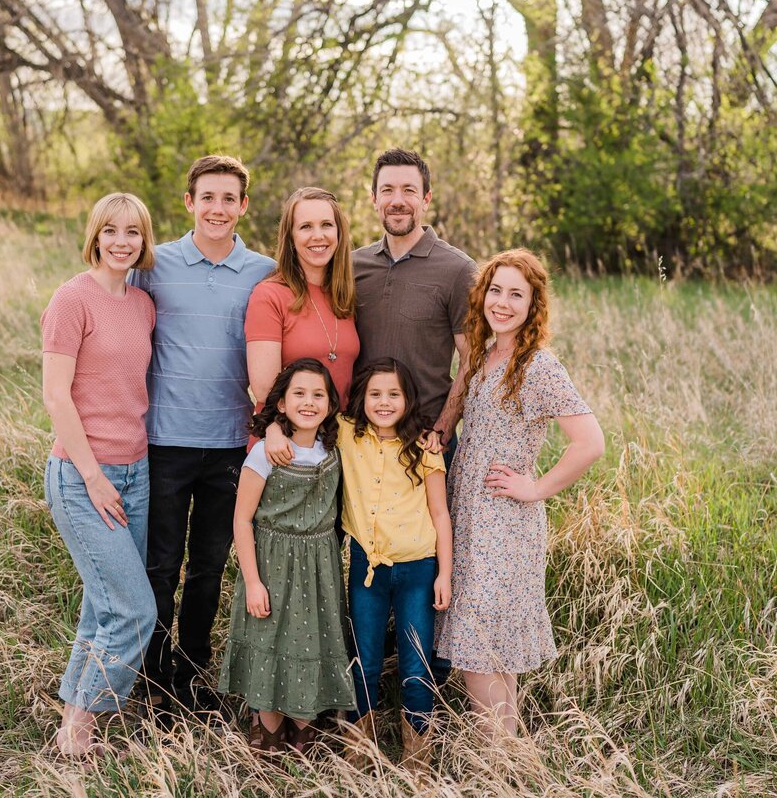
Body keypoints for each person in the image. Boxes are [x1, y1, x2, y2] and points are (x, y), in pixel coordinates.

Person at [434, 249, 604, 736]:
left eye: (516, 294)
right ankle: (510, 763)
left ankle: (496, 767)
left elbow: (590, 443)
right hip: (468, 518)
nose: (502, 303)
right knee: (492, 650)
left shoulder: (537, 366)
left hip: (505, 524)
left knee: (479, 649)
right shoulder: (487, 356)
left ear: (533, 305)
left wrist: (535, 489)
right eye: (495, 290)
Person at [129, 155, 274, 720]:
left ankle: (191, 674)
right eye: (207, 197)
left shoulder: (262, 271)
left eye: (229, 198)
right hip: (164, 440)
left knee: (209, 565)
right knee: (161, 565)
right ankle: (151, 674)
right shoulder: (153, 265)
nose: (218, 208)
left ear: (243, 206)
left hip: (230, 444)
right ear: (188, 202)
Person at [40, 192, 159, 758]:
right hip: (84, 477)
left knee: (102, 605)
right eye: (111, 231)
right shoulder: (72, 300)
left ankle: (70, 727)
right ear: (95, 235)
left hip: (136, 473)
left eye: (133, 232)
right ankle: (80, 735)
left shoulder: (141, 305)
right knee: (136, 611)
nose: (122, 242)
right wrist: (92, 476)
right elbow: (55, 396)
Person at [218, 358, 356, 754]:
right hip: (271, 564)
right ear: (281, 403)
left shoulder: (334, 451)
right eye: (299, 393)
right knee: (269, 642)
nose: (309, 402)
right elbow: (242, 520)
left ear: (331, 404)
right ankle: (268, 734)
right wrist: (253, 582)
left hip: (319, 568)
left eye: (318, 395)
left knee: (310, 643)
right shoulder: (265, 453)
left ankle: (304, 732)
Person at [336, 358, 453, 770]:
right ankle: (358, 750)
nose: (384, 403)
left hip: (418, 570)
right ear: (361, 399)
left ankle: (418, 758)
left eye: (393, 394)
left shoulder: (424, 447)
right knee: (363, 660)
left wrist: (445, 573)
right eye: (375, 394)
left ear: (408, 399)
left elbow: (440, 514)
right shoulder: (346, 435)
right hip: (367, 568)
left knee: (415, 664)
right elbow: (303, 415)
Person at [353, 148, 477, 464]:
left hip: (427, 440)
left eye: (409, 190)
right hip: (361, 440)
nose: (397, 201)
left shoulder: (458, 270)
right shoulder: (352, 266)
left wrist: (444, 427)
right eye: (387, 190)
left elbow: (471, 359)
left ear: (426, 199)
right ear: (374, 199)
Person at [245, 187, 359, 407]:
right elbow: (264, 391)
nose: (318, 236)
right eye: (306, 227)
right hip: (285, 435)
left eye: (326, 225)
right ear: (290, 237)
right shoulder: (269, 295)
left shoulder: (344, 296)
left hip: (338, 436)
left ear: (339, 232)